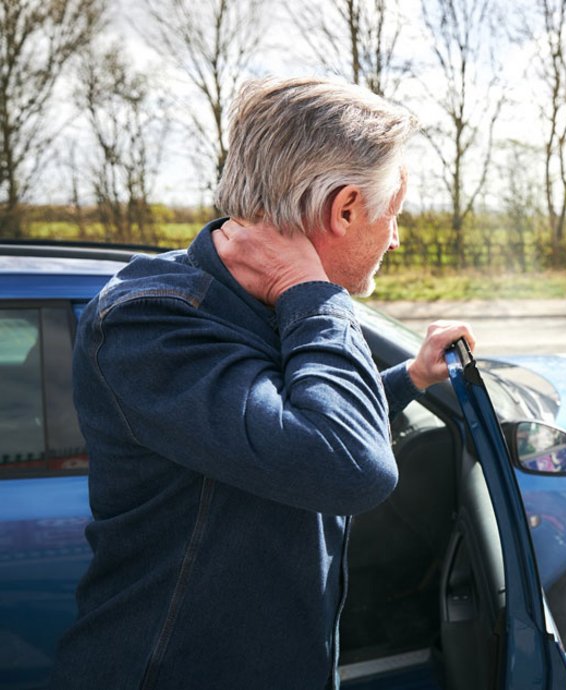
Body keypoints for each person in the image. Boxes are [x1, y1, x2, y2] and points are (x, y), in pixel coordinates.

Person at [49, 77, 474, 690]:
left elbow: (286, 429)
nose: (395, 236)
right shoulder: (151, 321)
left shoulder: (268, 303)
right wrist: (313, 295)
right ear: (345, 208)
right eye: (393, 214)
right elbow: (349, 465)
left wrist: (407, 377)